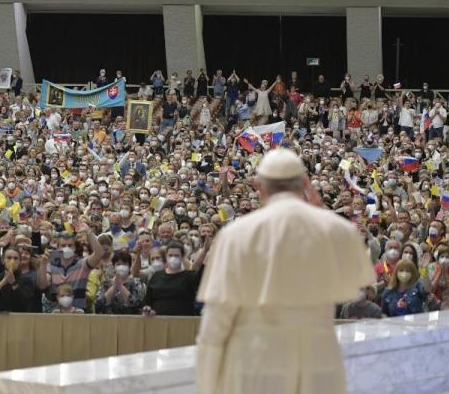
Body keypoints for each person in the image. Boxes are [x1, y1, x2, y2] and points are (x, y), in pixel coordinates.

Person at [195, 148, 374, 394]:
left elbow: (215, 324)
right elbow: (357, 284)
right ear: (304, 183)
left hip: (258, 366)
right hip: (320, 367)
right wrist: (324, 219)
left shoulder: (235, 234)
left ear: (258, 185)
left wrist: (206, 386)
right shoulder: (338, 229)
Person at [143, 241, 203, 316]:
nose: (173, 258)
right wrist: (148, 309)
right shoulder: (157, 276)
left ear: (182, 257)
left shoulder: (189, 276)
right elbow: (148, 301)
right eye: (170, 255)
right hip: (159, 320)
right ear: (166, 256)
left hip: (183, 321)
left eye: (176, 255)